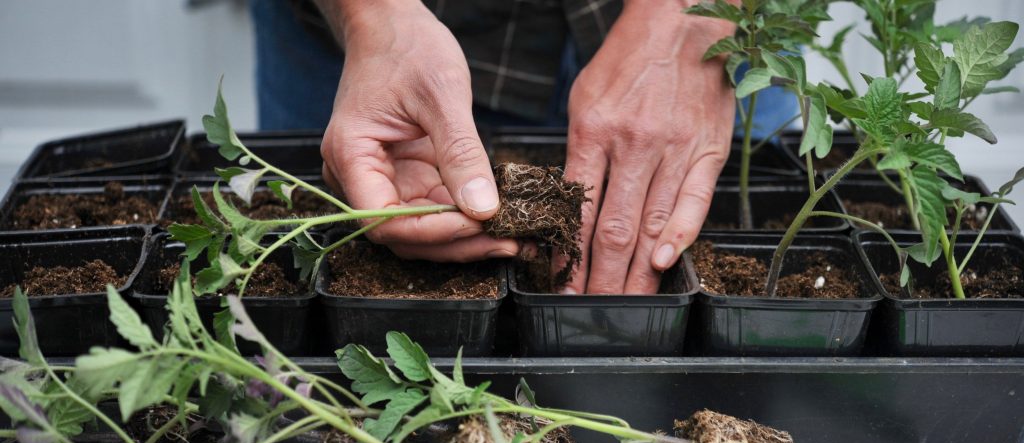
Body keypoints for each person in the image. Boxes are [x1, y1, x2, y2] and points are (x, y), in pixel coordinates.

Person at [251, 0, 793, 294]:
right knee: (346, 218)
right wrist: (372, 17)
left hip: (700, 42)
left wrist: (693, 16)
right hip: (387, 37)